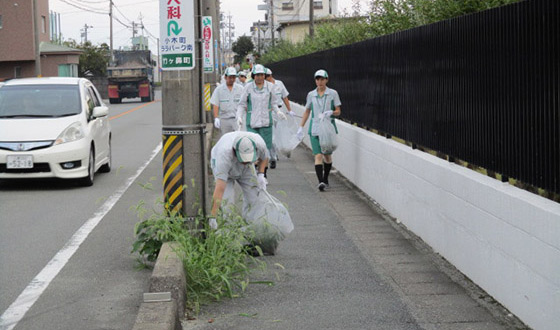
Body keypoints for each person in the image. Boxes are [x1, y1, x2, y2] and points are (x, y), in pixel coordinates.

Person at [209, 131, 269, 229]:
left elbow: (265, 157)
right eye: (244, 159)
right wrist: (213, 216)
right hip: (226, 168)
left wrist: (261, 174)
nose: (245, 162)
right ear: (234, 151)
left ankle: (250, 229)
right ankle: (228, 232)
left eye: (248, 159)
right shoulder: (223, 154)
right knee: (227, 203)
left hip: (247, 169)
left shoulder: (259, 143)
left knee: (253, 197)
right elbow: (219, 188)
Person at [236, 64, 286, 178]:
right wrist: (239, 116)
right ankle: (255, 172)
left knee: (265, 149)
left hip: (266, 122)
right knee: (254, 148)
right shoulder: (248, 87)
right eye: (257, 75)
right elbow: (242, 104)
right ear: (253, 76)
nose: (260, 77)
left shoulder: (270, 87)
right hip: (252, 123)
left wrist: (278, 112)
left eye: (262, 75)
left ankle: (263, 174)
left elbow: (274, 103)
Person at [296, 69, 342, 191]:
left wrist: (331, 112)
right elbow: (307, 111)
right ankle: (320, 181)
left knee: (327, 155)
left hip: (327, 129)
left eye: (322, 79)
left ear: (326, 80)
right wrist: (301, 126)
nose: (320, 82)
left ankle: (326, 177)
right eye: (317, 79)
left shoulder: (332, 93)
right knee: (318, 155)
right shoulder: (311, 95)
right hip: (315, 128)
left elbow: (338, 111)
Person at [265, 68, 295, 167]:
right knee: (272, 135)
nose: (266, 79)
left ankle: (282, 150)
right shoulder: (264, 86)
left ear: (271, 75)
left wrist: (289, 110)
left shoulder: (279, 84)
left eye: (267, 76)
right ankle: (273, 155)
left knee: (280, 133)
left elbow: (285, 97)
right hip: (269, 111)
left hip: (279, 110)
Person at [210, 67, 244, 137]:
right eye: (230, 77)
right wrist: (216, 117)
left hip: (237, 119)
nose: (232, 79)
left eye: (234, 77)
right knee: (226, 140)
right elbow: (215, 104)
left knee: (238, 139)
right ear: (225, 77)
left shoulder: (240, 89)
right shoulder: (219, 90)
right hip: (224, 120)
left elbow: (244, 103)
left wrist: (243, 116)